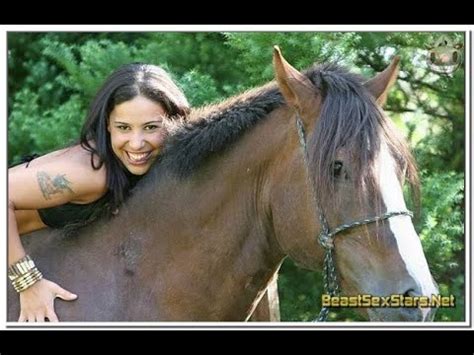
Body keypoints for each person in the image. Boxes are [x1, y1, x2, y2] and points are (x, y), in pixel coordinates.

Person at [8, 63, 190, 322]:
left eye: (151, 127)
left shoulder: (125, 164)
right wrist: (28, 284)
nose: (137, 143)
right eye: (124, 128)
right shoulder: (93, 174)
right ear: (107, 125)